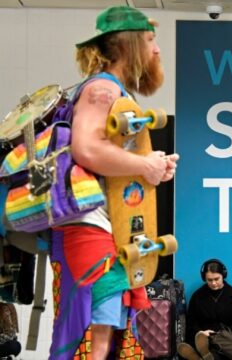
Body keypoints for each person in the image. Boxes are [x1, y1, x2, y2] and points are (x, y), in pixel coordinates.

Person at [49, 6, 179, 359]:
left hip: (103, 229)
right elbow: (87, 147)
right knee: (94, 334)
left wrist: (152, 167)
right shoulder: (103, 89)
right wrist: (143, 164)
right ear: (129, 45)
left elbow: (105, 157)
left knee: (107, 334)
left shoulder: (113, 90)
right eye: (150, 40)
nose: (156, 50)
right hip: (90, 229)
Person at [178, 259, 232, 360]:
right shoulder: (197, 296)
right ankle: (206, 354)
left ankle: (204, 357)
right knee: (202, 345)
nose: (213, 283)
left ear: (223, 276)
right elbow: (191, 323)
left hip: (226, 339)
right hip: (203, 339)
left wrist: (221, 334)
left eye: (217, 279)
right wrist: (201, 333)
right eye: (209, 280)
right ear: (204, 278)